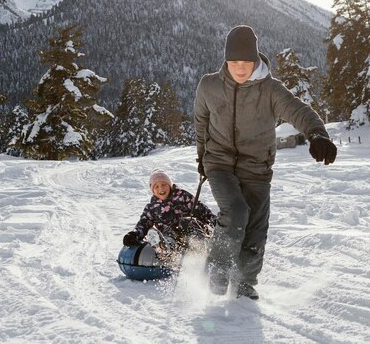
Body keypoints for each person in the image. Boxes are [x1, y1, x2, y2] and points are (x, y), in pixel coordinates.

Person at [194, 25, 337, 300]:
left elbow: (298, 110)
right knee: (235, 211)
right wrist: (202, 157)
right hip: (220, 163)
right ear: (226, 60)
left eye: (246, 62)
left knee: (256, 229)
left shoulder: (270, 90)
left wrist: (317, 133)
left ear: (255, 59)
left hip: (257, 167)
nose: (240, 68)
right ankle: (217, 269)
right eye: (234, 62)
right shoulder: (209, 86)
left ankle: (245, 283)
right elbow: (201, 121)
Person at [122, 168, 216, 259]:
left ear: (170, 185)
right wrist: (134, 234)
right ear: (152, 190)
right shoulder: (152, 207)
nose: (161, 188)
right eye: (156, 186)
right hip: (171, 237)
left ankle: (201, 249)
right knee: (168, 234)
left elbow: (204, 211)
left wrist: (216, 224)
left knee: (187, 222)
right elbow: (143, 223)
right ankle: (164, 249)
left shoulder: (183, 197)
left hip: (190, 231)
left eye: (164, 184)